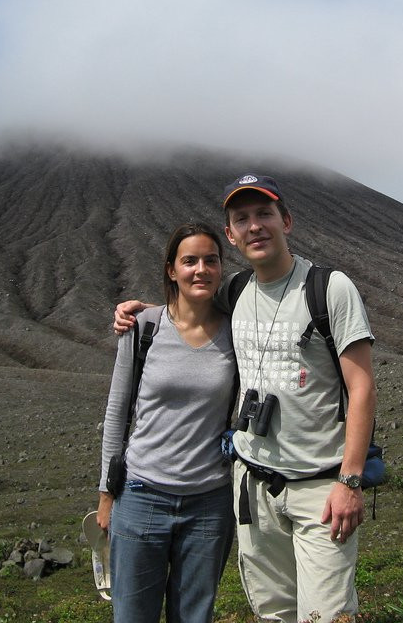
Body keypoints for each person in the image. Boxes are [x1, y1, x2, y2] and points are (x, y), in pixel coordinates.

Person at [115, 175, 377, 623]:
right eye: (242, 219)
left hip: (320, 488)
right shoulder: (234, 292)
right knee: (273, 613)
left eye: (264, 214)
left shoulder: (329, 289)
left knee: (328, 615)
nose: (254, 226)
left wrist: (350, 482)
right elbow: (187, 304)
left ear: (286, 221)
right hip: (253, 488)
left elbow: (362, 388)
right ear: (233, 235)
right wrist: (135, 311)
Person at [97, 222, 237, 623]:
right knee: (132, 615)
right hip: (141, 496)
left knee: (195, 616)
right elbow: (116, 412)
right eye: (189, 260)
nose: (201, 269)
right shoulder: (143, 327)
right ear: (171, 270)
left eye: (211, 260)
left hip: (209, 503)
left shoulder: (237, 331)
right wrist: (107, 494)